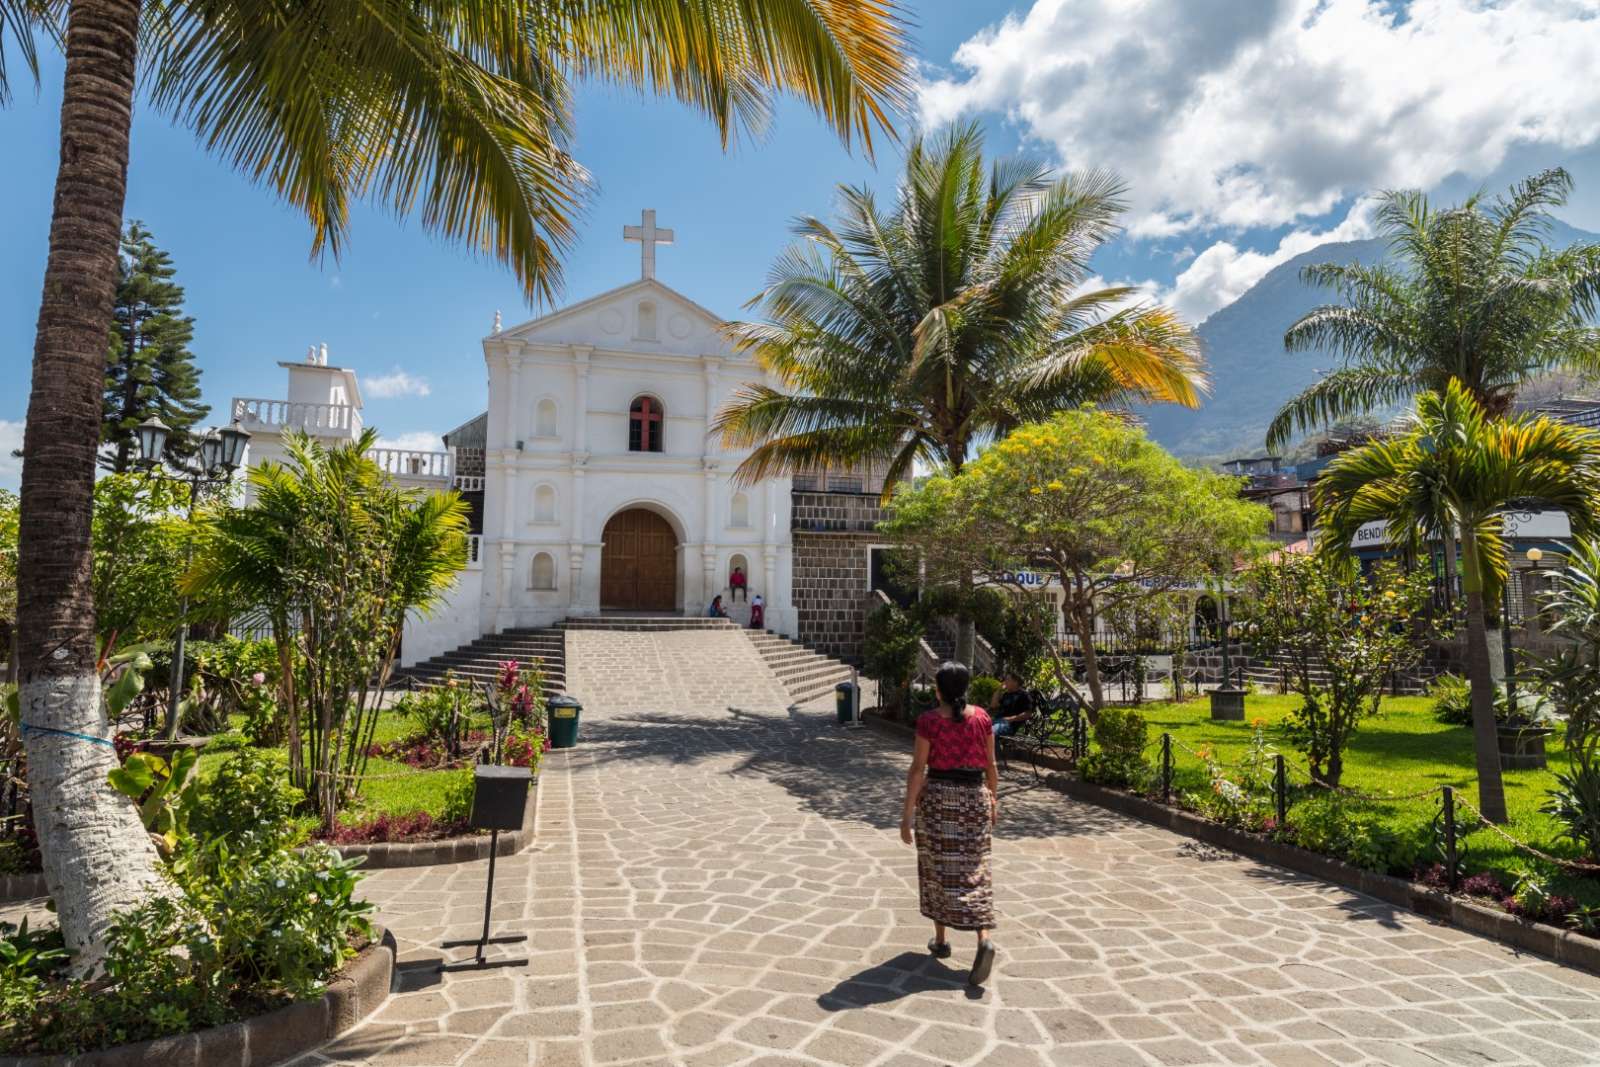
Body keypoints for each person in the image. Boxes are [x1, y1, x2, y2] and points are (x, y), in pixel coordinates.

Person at [901, 661, 999, 987]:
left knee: (937, 868)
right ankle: (983, 936)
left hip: (939, 799)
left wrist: (907, 815)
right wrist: (993, 800)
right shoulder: (982, 718)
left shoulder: (929, 721)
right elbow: (991, 765)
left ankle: (941, 940)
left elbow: (918, 768)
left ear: (938, 689)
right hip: (975, 797)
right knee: (975, 869)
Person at [991, 672, 1034, 737]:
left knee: (990, 732)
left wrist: (1011, 719)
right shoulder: (1006, 694)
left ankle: (993, 747)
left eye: (1007, 680)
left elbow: (1028, 714)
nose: (1005, 682)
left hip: (1009, 725)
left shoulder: (1024, 695)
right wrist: (999, 689)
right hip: (997, 721)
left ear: (1015, 682)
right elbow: (993, 705)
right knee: (977, 728)